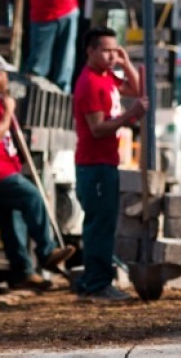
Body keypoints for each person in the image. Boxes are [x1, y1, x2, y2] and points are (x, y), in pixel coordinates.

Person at [0, 54, 75, 291]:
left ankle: (22, 272)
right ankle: (46, 251)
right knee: (32, 197)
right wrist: (7, 112)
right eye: (5, 75)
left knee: (11, 222)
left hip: (2, 166)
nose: (7, 79)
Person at [73, 26, 147, 302]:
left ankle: (94, 281)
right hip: (94, 164)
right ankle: (97, 284)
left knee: (104, 223)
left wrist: (126, 64)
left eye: (115, 51)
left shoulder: (107, 77)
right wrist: (130, 115)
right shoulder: (90, 83)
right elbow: (97, 128)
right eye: (106, 51)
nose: (111, 56)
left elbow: (137, 89)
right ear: (90, 51)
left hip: (107, 161)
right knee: (99, 226)